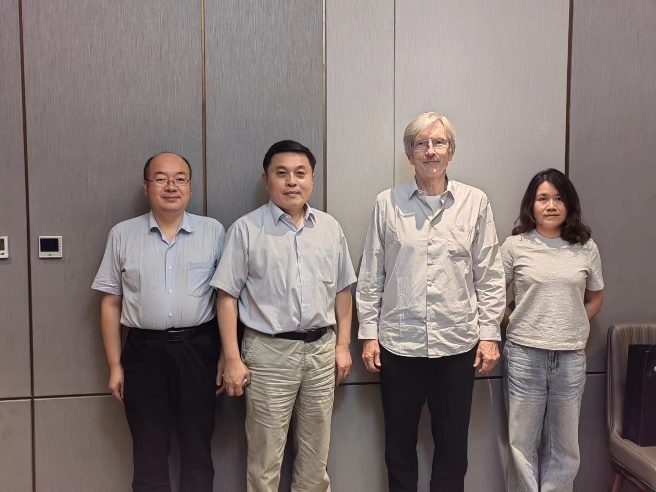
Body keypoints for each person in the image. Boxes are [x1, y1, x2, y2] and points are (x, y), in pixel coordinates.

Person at [356, 112, 506, 492]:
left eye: (439, 143)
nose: (430, 151)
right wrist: (369, 335)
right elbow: (372, 273)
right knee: (398, 450)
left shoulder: (475, 202)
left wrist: (490, 334)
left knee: (453, 451)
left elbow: (489, 274)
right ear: (409, 153)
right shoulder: (387, 203)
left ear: (451, 151)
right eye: (420, 144)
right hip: (398, 346)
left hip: (457, 346)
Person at [210, 140, 356, 492]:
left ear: (312, 178)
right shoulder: (246, 229)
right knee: (265, 461)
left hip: (321, 352)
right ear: (266, 179)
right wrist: (232, 357)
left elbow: (342, 291)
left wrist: (343, 346)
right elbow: (226, 296)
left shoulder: (329, 227)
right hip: (268, 354)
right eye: (282, 173)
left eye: (300, 173)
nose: (292, 181)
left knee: (315, 459)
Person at [92, 152, 225, 492]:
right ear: (146, 186)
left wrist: (227, 355)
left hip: (199, 352)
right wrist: (115, 365)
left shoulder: (213, 232)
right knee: (148, 454)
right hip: (143, 354)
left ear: (190, 186)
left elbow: (227, 299)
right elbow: (110, 302)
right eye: (161, 178)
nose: (171, 186)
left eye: (180, 179)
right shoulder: (122, 234)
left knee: (198, 452)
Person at [501, 168, 603, 492]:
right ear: (530, 205)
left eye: (559, 198)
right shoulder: (514, 246)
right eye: (543, 198)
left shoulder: (586, 247)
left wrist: (575, 323)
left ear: (569, 204)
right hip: (524, 355)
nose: (551, 205)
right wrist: (516, 320)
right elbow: (493, 297)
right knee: (522, 444)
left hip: (570, 358)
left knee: (565, 447)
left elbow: (596, 297)